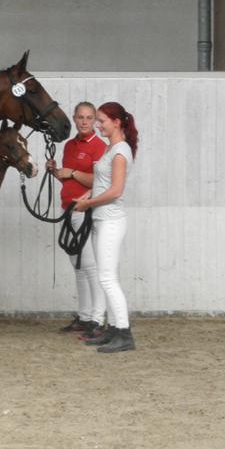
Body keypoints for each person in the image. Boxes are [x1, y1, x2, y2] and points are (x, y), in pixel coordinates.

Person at [72, 102, 137, 353]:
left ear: (116, 122)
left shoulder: (120, 151)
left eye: (101, 121)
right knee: (107, 276)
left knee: (107, 278)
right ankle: (114, 329)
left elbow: (116, 190)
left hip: (110, 219)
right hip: (102, 219)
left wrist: (88, 202)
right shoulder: (113, 149)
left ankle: (123, 331)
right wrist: (88, 197)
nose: (98, 125)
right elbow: (102, 183)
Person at [47, 102, 107, 334]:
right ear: (74, 118)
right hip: (68, 207)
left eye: (89, 118)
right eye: (80, 117)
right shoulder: (70, 145)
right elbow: (70, 181)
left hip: (85, 210)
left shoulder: (99, 147)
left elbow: (99, 182)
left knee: (89, 265)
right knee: (78, 265)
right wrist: (56, 172)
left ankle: (96, 318)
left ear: (94, 121)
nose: (84, 122)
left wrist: (71, 172)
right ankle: (84, 316)